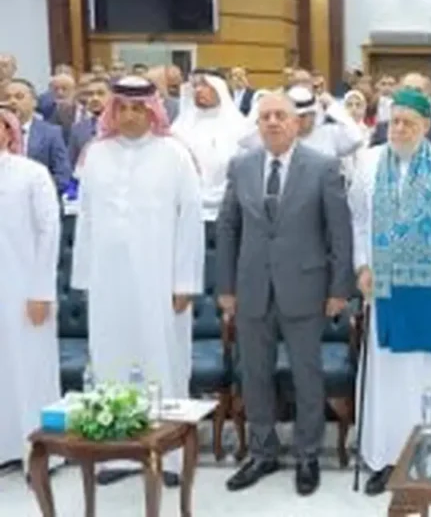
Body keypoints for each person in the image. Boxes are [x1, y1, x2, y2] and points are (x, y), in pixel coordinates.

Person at [217, 92, 353, 496]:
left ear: (297, 123)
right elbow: (227, 228)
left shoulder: (323, 167)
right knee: (254, 373)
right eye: (266, 117)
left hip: (305, 288)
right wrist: (226, 287)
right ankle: (263, 452)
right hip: (252, 288)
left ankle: (308, 454)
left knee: (306, 375)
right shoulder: (241, 166)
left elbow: (339, 232)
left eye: (281, 116)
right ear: (257, 125)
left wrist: (339, 289)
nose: (273, 122)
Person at [71, 76, 205, 487]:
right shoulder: (96, 155)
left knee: (162, 360)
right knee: (110, 358)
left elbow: (191, 221)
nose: (129, 116)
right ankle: (115, 453)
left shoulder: (175, 155)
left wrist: (184, 281)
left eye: (138, 108)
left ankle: (168, 455)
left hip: (159, 280)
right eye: (122, 108)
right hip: (107, 280)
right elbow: (85, 219)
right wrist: (84, 277)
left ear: (152, 111)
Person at [348, 87, 431, 496]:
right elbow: (358, 221)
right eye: (395, 122)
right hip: (385, 290)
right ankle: (386, 460)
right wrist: (362, 265)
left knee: (430, 376)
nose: (399, 130)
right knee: (387, 378)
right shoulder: (369, 162)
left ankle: (429, 459)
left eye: (408, 123)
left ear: (425, 126)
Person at [0, 108, 61, 472]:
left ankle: (39, 451)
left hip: (25, 290)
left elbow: (49, 233)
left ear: (8, 133)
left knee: (30, 368)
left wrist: (41, 291)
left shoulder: (31, 174)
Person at [171, 69, 248, 212]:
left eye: (205, 85)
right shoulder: (180, 128)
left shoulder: (239, 127)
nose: (199, 90)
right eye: (195, 86)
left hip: (228, 208)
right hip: (187, 208)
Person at [3, 78, 72, 193]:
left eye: (19, 97)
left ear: (34, 102)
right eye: (7, 98)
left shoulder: (51, 133)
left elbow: (63, 175)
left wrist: (35, 191)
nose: (12, 102)